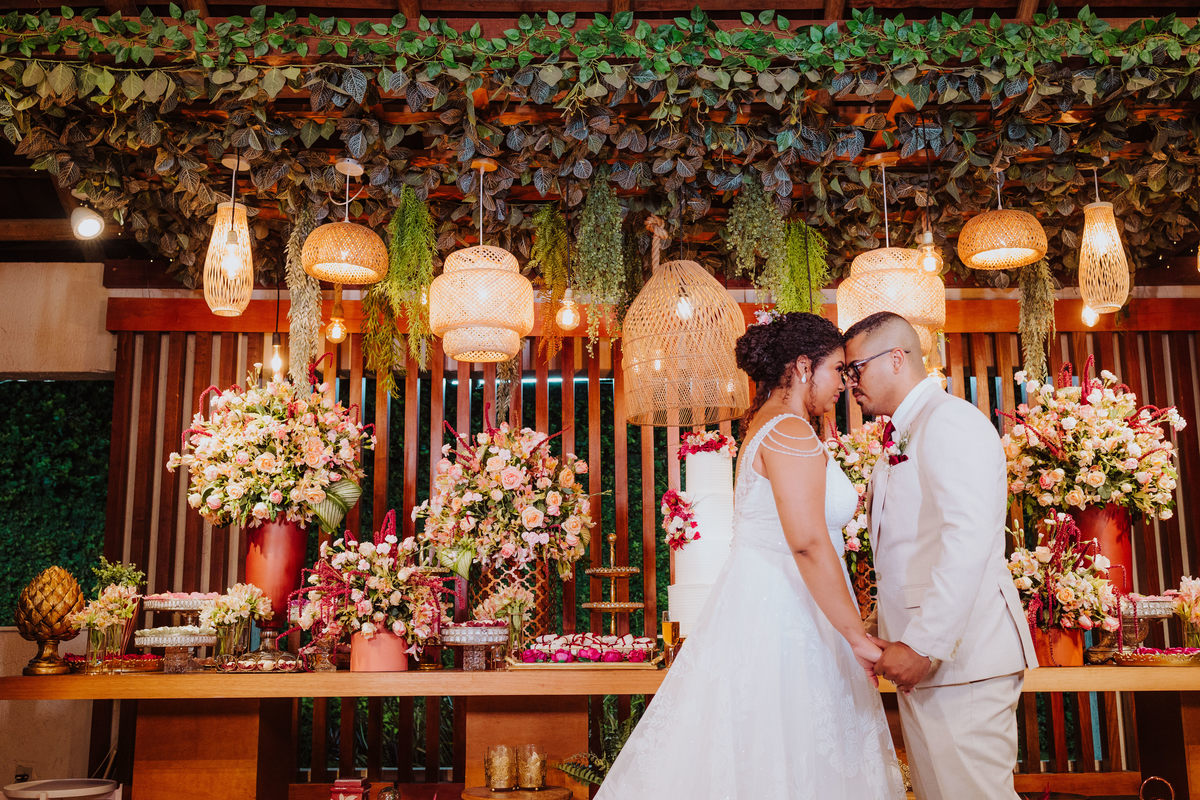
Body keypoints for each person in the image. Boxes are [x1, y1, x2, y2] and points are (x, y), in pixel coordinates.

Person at [595, 312, 905, 799]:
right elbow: (807, 542)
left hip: (775, 608)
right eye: (836, 370)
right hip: (787, 618)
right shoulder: (789, 430)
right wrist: (856, 636)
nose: (844, 384)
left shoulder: (767, 426)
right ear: (803, 367)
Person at [842, 311, 1038, 800]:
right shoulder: (905, 431)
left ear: (896, 358)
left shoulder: (951, 421)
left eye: (855, 369)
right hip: (928, 662)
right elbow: (911, 553)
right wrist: (879, 628)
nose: (849, 383)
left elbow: (966, 539)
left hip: (961, 661)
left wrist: (922, 645)